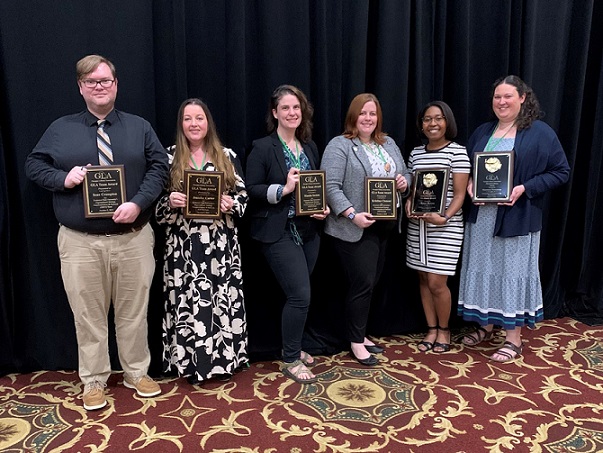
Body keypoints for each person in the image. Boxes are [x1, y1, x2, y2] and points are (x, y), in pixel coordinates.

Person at [25, 55, 168, 410]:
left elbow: (159, 169)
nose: (99, 87)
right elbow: (33, 164)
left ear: (116, 84)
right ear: (80, 88)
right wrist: (63, 179)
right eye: (91, 82)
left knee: (134, 311)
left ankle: (137, 372)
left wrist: (137, 203)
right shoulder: (60, 128)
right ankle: (93, 379)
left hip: (133, 238)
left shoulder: (139, 127)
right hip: (80, 242)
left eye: (105, 81)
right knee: (87, 315)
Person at [458, 75, 570, 362]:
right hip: (482, 216)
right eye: (497, 97)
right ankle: (485, 325)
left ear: (523, 98)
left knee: (512, 274)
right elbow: (470, 168)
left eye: (508, 96)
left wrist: (525, 188)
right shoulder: (483, 132)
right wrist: (470, 184)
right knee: (483, 268)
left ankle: (514, 339)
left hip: (517, 217)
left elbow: (561, 171)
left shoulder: (540, 133)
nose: (502, 102)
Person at [156, 98, 248, 384]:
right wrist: (169, 201)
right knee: (187, 303)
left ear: (208, 123)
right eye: (188, 119)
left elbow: (245, 200)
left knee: (221, 302)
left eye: (199, 118)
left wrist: (231, 203)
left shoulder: (227, 156)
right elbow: (155, 209)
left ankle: (223, 362)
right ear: (181, 124)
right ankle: (187, 363)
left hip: (221, 248)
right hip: (183, 248)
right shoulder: (168, 157)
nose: (194, 124)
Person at [246, 85, 329, 384]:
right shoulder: (263, 147)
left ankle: (292, 345)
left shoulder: (309, 147)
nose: (292, 113)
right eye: (285, 108)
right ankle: (291, 358)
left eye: (296, 108)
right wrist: (283, 189)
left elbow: (316, 188)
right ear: (274, 113)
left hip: (310, 231)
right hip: (278, 232)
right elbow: (251, 189)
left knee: (299, 296)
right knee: (300, 295)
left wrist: (322, 208)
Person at [320, 93, 411, 366]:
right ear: (353, 117)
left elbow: (406, 174)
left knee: (371, 283)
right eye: (362, 113)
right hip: (355, 227)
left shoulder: (389, 143)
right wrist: (351, 214)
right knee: (361, 284)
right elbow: (330, 186)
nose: (368, 118)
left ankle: (360, 333)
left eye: (372, 114)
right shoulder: (340, 145)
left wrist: (404, 183)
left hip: (385, 225)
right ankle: (357, 343)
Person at [405, 101, 470, 353]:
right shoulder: (416, 153)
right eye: (427, 119)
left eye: (439, 118)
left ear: (447, 122)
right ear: (421, 124)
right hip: (419, 226)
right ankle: (431, 329)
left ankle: (444, 330)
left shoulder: (457, 152)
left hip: (445, 227)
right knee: (422, 278)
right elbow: (413, 189)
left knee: (436, 283)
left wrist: (444, 217)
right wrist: (410, 202)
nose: (433, 124)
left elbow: (460, 195)